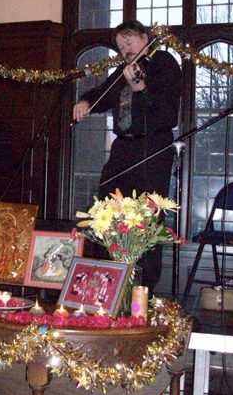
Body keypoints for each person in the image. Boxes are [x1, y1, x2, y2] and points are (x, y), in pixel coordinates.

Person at [73, 20, 181, 291]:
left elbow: (168, 114)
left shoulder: (164, 63)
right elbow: (103, 94)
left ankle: (144, 288)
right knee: (106, 210)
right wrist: (86, 101)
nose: (125, 50)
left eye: (129, 42)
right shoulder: (123, 71)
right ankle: (105, 282)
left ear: (145, 38)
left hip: (153, 148)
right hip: (124, 148)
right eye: (121, 47)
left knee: (148, 218)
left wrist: (141, 90)